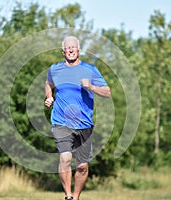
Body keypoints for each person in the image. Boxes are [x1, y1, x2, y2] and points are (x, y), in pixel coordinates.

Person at [44, 36, 111, 200]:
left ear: (79, 50)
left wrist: (91, 87)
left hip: (84, 124)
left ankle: (76, 197)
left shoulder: (90, 69)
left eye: (74, 47)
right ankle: (67, 196)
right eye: (68, 48)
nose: (71, 50)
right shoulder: (55, 69)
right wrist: (49, 96)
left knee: (82, 166)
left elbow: (107, 92)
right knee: (65, 157)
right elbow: (48, 83)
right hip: (61, 122)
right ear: (63, 51)